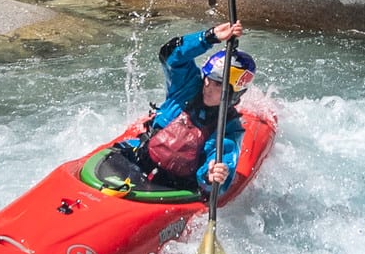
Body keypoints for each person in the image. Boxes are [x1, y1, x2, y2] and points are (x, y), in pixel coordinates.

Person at [110, 20, 256, 200]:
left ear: (234, 93)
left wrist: (211, 176)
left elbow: (222, 162)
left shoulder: (229, 128)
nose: (208, 86)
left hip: (174, 186)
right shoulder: (186, 87)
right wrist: (209, 37)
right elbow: (170, 54)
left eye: (218, 84)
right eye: (208, 78)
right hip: (140, 160)